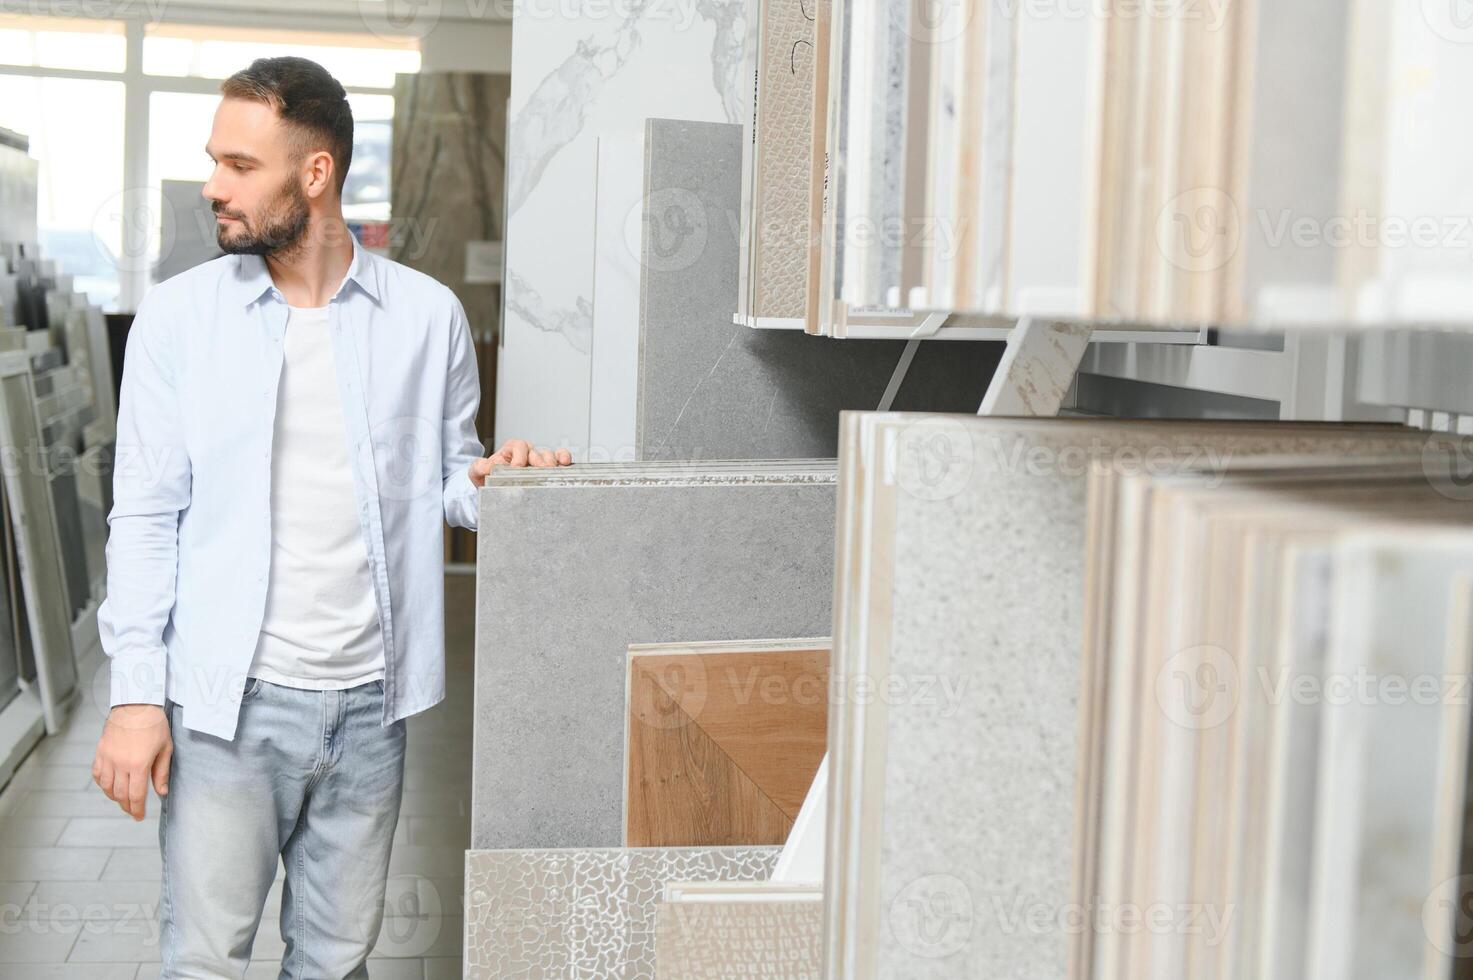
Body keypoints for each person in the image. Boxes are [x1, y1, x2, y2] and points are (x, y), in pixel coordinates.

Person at [88, 56, 569, 978]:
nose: (212, 186)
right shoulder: (180, 321)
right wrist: (135, 696)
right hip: (227, 708)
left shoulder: (426, 319)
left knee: (338, 963)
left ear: (315, 174)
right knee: (205, 960)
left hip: (370, 710)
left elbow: (445, 485)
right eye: (213, 160)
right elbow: (145, 515)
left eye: (238, 165)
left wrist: (505, 483)